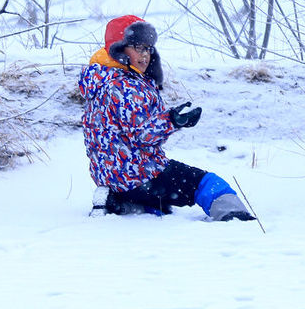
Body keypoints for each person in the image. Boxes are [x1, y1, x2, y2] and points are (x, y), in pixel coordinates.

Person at [78, 14, 255, 222]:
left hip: (109, 175)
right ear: (119, 49)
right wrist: (172, 121)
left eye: (148, 48)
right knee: (206, 183)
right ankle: (235, 217)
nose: (145, 55)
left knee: (162, 204)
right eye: (138, 48)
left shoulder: (101, 80)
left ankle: (120, 201)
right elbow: (143, 135)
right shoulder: (125, 86)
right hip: (140, 175)